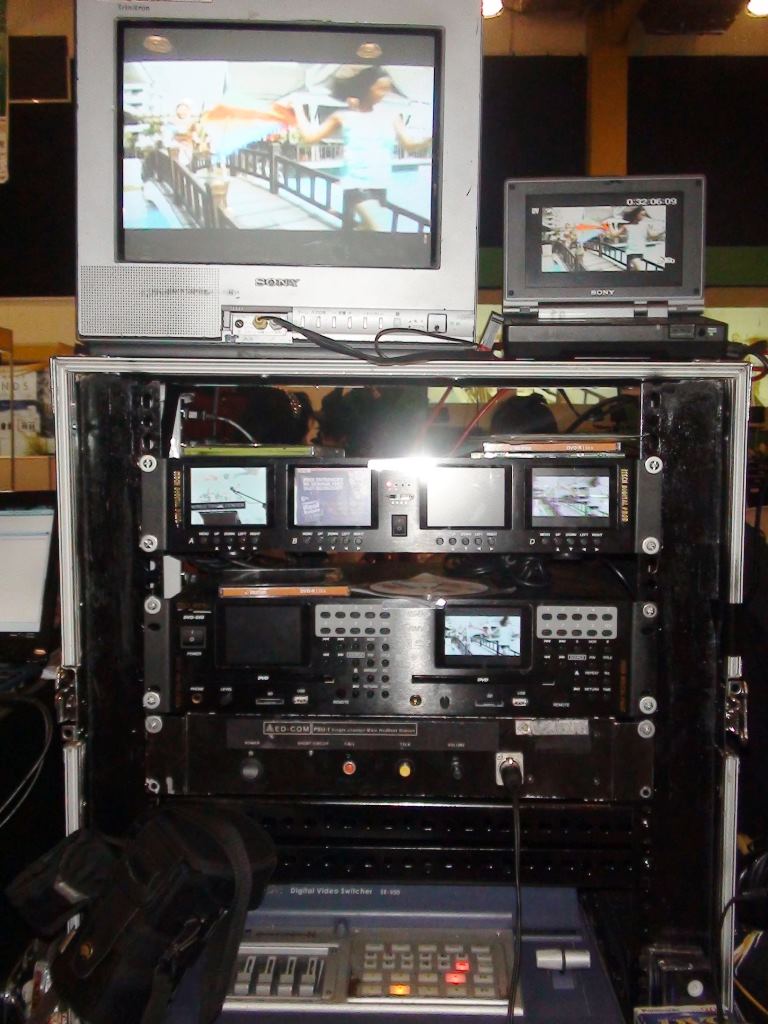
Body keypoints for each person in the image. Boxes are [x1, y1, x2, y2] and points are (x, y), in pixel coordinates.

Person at [291, 66, 431, 230]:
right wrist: (298, 108)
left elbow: (408, 144)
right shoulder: (344, 117)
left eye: (387, 89)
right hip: (356, 185)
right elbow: (310, 137)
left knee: (369, 232)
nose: (384, 93)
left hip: (380, 184)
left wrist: (430, 139)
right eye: (380, 88)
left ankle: (351, 237)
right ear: (366, 88)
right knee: (379, 228)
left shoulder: (391, 116)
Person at [618, 206, 666, 270]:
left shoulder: (644, 226)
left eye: (644, 215)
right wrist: (609, 225)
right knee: (641, 269)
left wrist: (663, 230)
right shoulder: (627, 226)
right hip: (632, 254)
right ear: (635, 214)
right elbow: (614, 234)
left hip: (640, 253)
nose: (643, 217)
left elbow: (652, 235)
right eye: (642, 215)